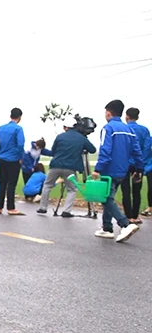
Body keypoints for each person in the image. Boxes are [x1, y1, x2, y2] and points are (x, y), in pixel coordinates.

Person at [93, 100, 143, 242]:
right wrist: (139, 168)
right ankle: (107, 228)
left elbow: (105, 149)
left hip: (109, 169)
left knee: (105, 199)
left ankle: (125, 224)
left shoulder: (108, 128)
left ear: (109, 113)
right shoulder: (129, 130)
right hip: (123, 170)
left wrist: (98, 169)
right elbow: (137, 151)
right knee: (108, 197)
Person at [37, 116, 96, 217]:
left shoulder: (60, 137)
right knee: (72, 189)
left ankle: (43, 207)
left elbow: (54, 151)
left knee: (47, 185)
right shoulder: (81, 138)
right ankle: (66, 211)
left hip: (55, 165)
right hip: (70, 168)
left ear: (66, 127)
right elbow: (93, 150)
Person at [0, 108, 26, 215]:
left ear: (10, 115)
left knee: (2, 183)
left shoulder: (1, 128)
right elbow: (20, 144)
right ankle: (11, 208)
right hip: (13, 159)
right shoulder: (18, 129)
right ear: (19, 117)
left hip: (2, 158)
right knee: (11, 184)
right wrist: (20, 157)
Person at [121, 107, 150, 224]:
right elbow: (147, 148)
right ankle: (135, 216)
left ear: (126, 116)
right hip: (138, 163)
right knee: (137, 191)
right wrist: (142, 163)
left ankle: (128, 216)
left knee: (125, 190)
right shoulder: (144, 130)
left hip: (124, 163)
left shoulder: (124, 129)